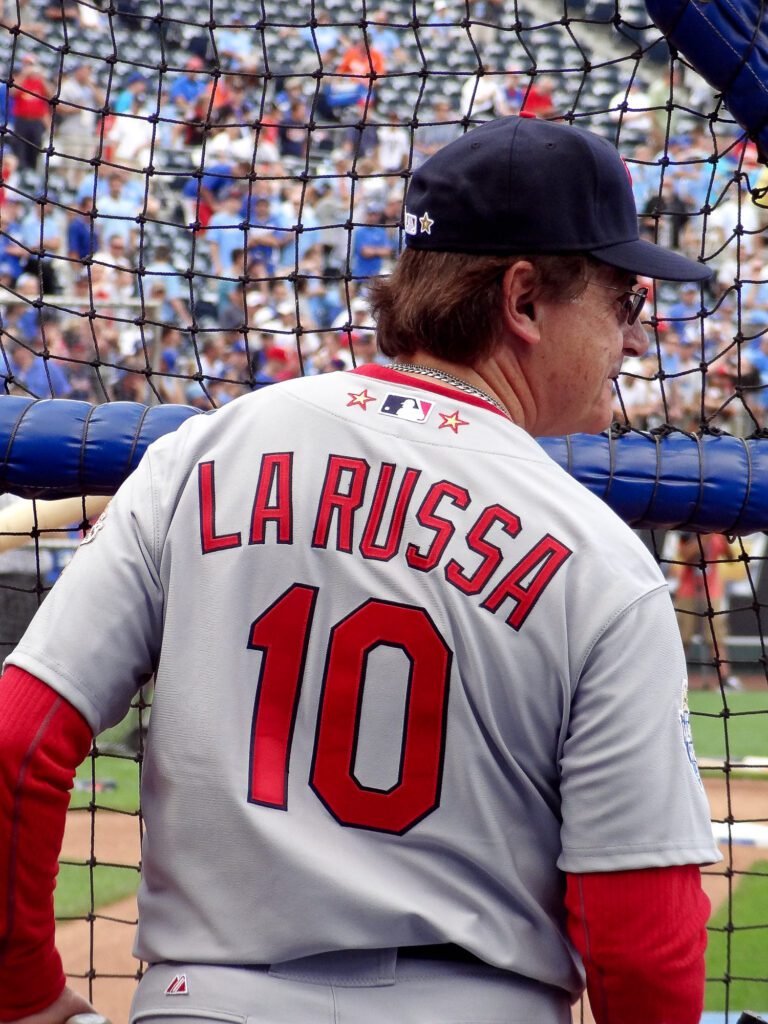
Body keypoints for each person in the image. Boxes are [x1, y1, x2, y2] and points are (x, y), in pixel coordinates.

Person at [0, 116, 720, 1024]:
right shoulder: (601, 558)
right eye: (626, 302)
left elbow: (16, 743)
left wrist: (24, 994)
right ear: (525, 300)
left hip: (201, 999)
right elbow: (640, 938)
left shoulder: (205, 454)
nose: (634, 341)